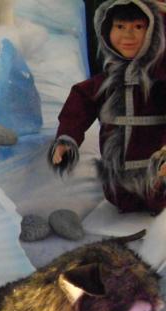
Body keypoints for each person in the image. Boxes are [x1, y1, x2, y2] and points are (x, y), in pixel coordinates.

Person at [49, 0, 166, 214]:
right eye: (120, 26)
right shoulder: (105, 82)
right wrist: (68, 137)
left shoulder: (159, 80)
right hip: (117, 184)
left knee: (158, 194)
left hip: (157, 177)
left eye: (138, 27)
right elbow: (79, 105)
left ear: (152, 32)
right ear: (106, 31)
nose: (128, 35)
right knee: (121, 200)